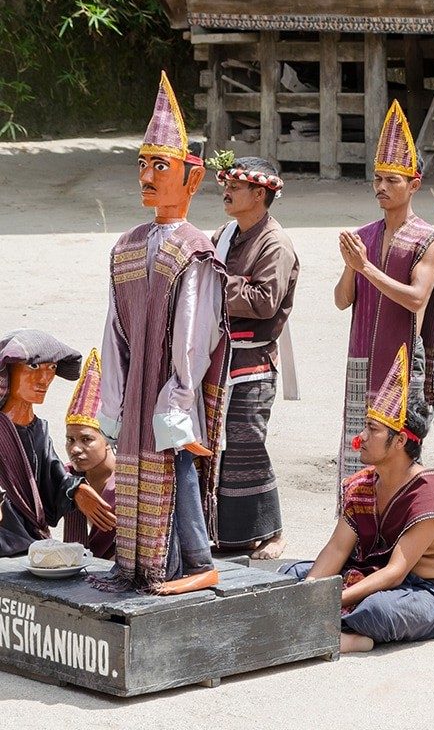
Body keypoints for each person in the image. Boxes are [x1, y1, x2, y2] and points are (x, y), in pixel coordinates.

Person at [96, 71, 230, 595]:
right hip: (135, 388)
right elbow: (114, 331)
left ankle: (191, 564)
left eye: (160, 166)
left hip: (170, 391)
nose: (146, 177)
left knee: (176, 469)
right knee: (134, 469)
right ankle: (137, 566)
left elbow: (195, 337)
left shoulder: (195, 250)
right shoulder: (127, 246)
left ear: (192, 180)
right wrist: (117, 395)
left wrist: (175, 397)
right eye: (142, 166)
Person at [282, 345, 434, 653]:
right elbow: (337, 547)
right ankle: (326, 623)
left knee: (376, 610)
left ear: (399, 441)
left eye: (372, 429)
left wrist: (329, 600)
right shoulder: (363, 485)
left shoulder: (430, 491)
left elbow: (396, 571)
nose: (363, 436)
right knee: (292, 576)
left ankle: (351, 636)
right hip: (379, 573)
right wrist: (310, 592)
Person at [333, 100, 434, 501]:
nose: (382, 188)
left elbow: (417, 299)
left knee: (397, 453)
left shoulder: (426, 238)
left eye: (392, 180)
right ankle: (353, 532)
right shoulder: (364, 234)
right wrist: (351, 267)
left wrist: (365, 267)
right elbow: (341, 300)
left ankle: (398, 528)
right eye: (378, 179)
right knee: (358, 452)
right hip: (362, 358)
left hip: (401, 359)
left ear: (413, 185)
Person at [209, 152, 299, 560]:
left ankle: (272, 532)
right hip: (219, 359)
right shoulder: (224, 235)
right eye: (226, 183)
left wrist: (215, 287)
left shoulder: (275, 243)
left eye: (236, 185)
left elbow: (264, 302)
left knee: (248, 444)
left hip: (253, 363)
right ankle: (229, 534)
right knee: (217, 446)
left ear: (260, 194)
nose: (226, 191)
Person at [0, 330, 114, 555]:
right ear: (7, 371)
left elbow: (52, 477)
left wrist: (77, 490)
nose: (44, 379)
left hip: (31, 543)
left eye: (51, 368)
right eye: (33, 367)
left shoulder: (39, 429)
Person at [63, 348, 117, 559]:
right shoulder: (66, 477)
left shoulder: (128, 482)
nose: (75, 449)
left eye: (87, 440)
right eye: (70, 440)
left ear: (107, 440)